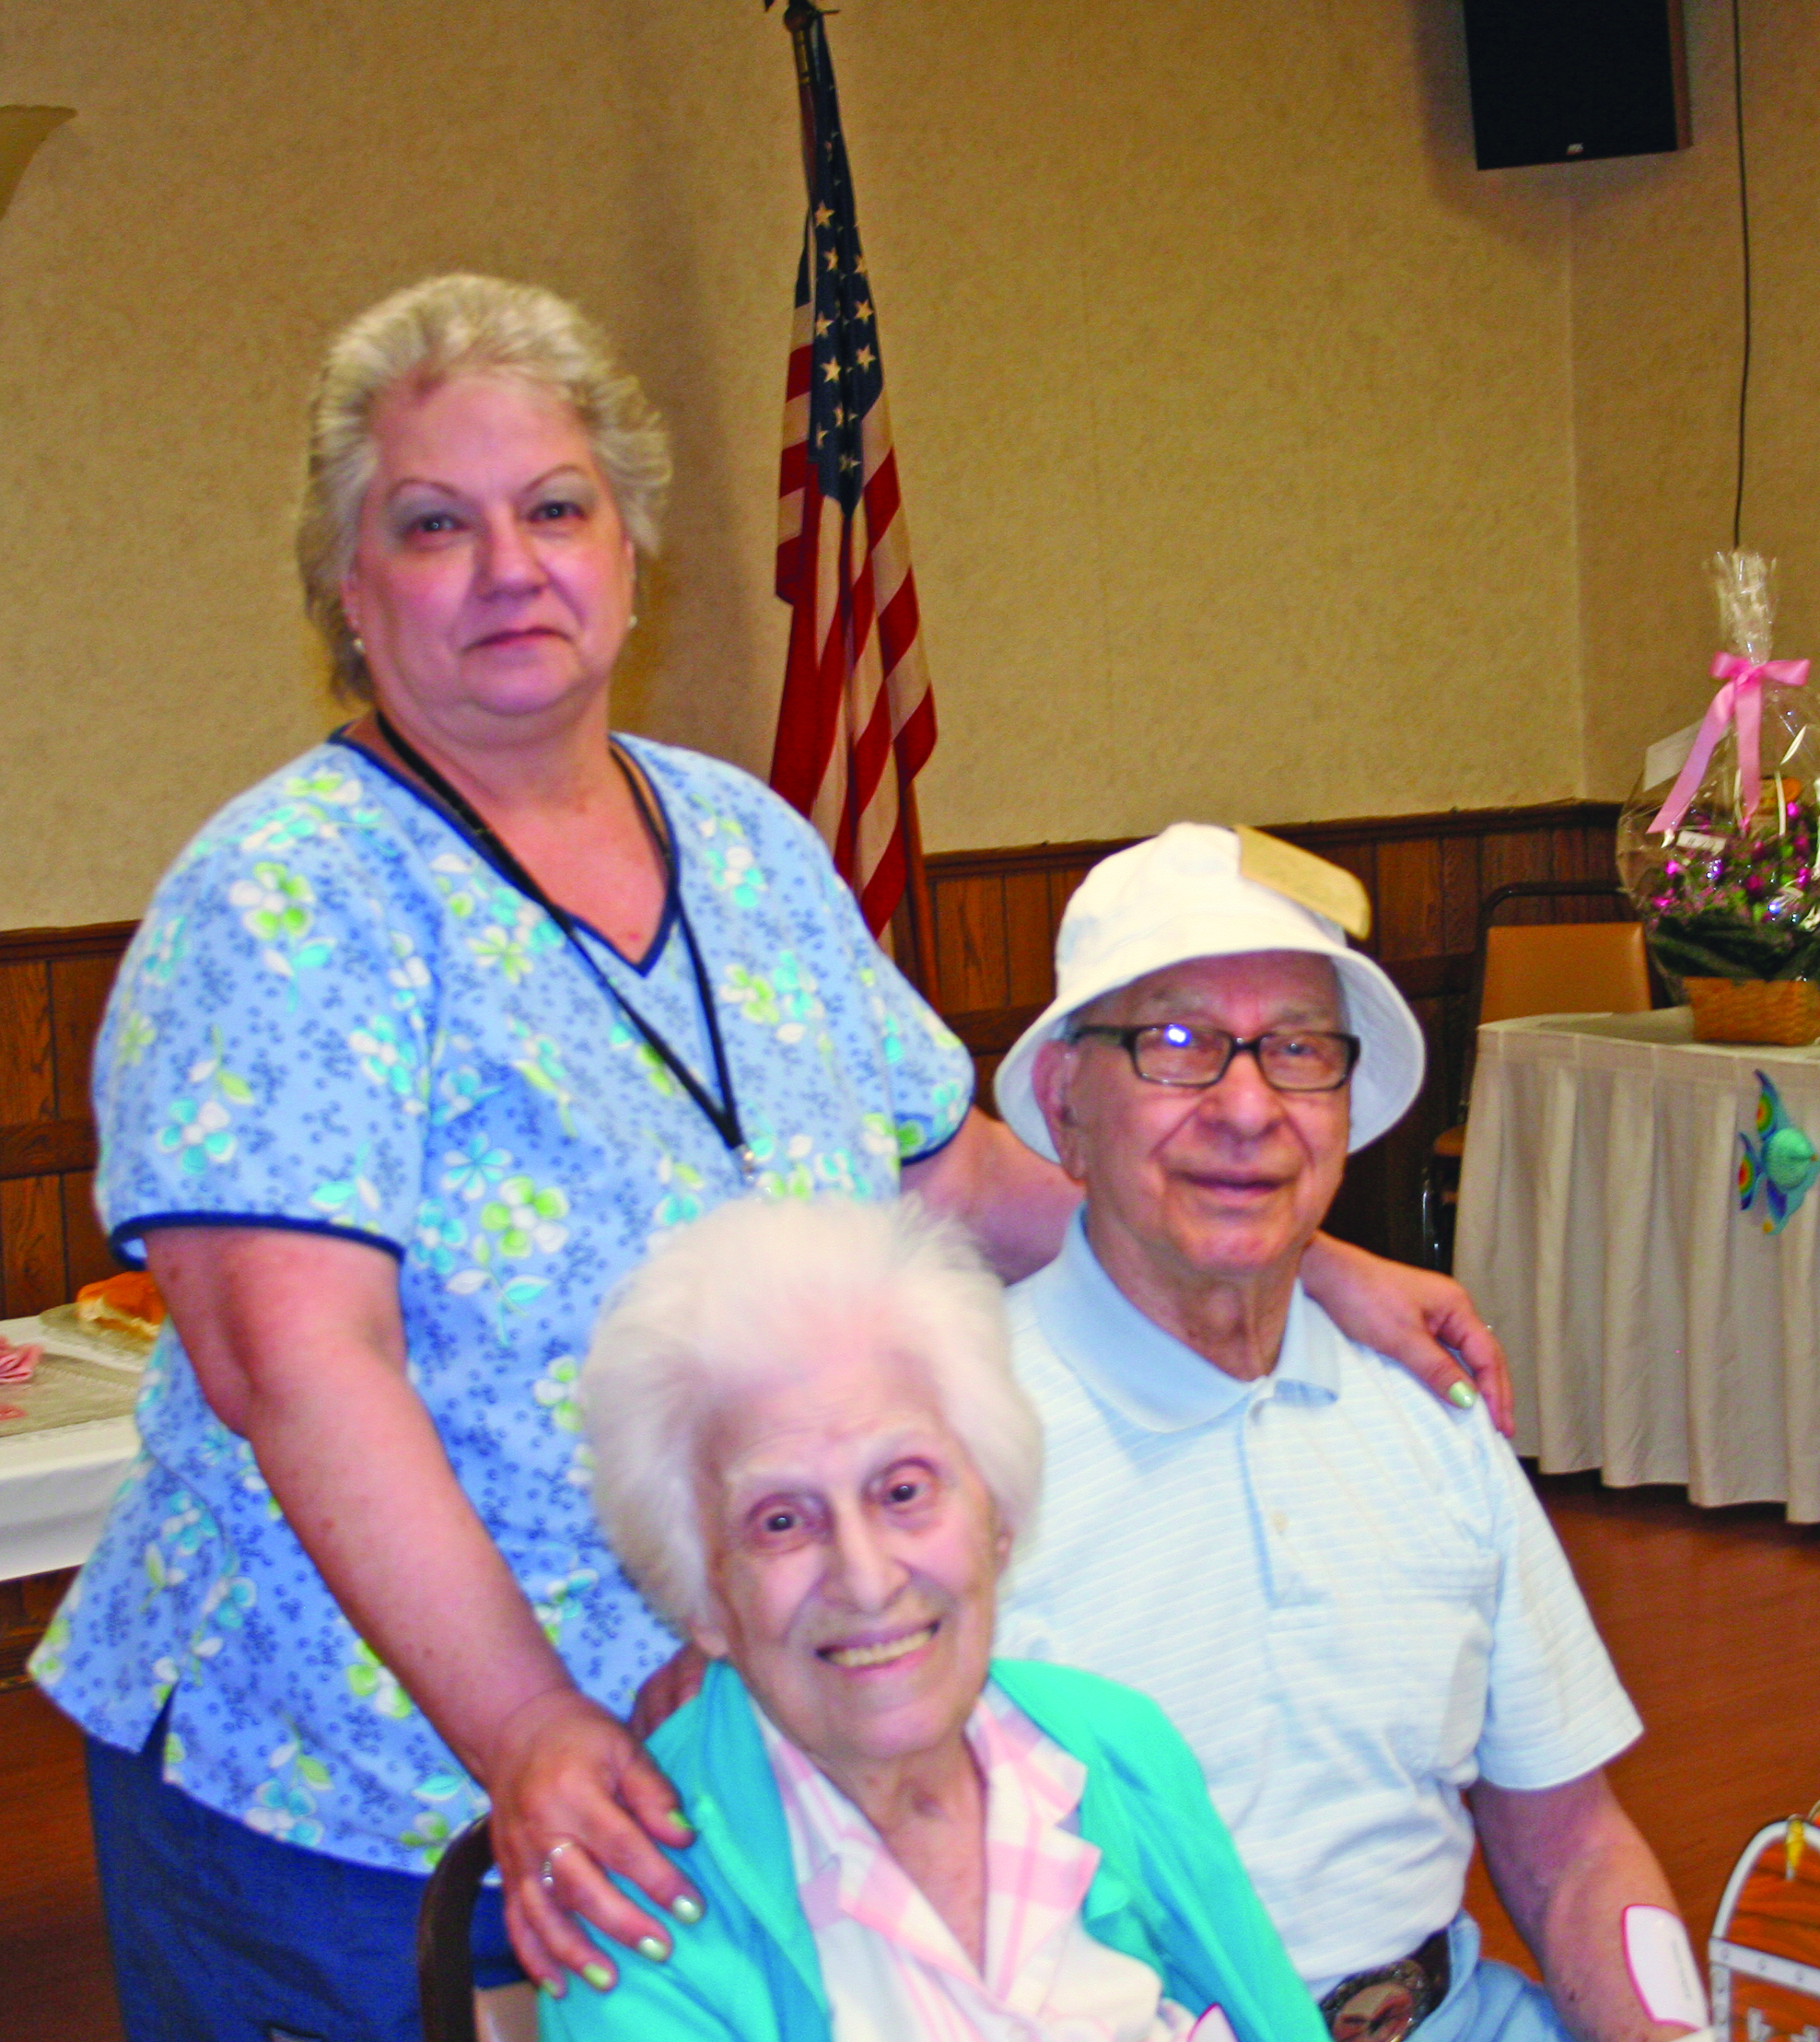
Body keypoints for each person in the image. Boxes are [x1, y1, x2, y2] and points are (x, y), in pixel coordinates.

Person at [31, 274, 1507, 2041]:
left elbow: (943, 1179)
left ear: (631, 551)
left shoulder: (740, 843)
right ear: (348, 593)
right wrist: (525, 1727)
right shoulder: (282, 901)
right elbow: (293, 1360)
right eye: (434, 525)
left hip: (735, 1744)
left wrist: (1296, 1260)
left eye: (556, 507)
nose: (511, 565)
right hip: (364, 1791)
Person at [990, 824, 1703, 2042]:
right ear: (1066, 1102)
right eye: (1176, 1044)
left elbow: (1574, 1852)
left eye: (1298, 1048)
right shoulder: (943, 1453)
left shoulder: (1422, 1406)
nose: (1248, 1106)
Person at [550, 1191, 1324, 2042]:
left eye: (904, 1490)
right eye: (781, 1520)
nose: (868, 1578)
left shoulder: (1114, 1746)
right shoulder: (637, 1892)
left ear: (996, 1517)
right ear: (703, 1599)